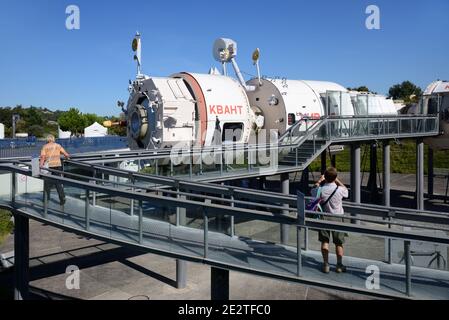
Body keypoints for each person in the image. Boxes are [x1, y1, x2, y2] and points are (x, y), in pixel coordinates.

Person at [311, 167, 349, 273]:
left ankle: (326, 264)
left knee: (324, 241)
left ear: (325, 178)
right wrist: (337, 180)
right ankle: (339, 265)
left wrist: (319, 181)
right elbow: (346, 191)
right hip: (338, 217)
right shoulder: (340, 190)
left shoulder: (320, 190)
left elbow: (312, 190)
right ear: (335, 177)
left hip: (324, 217)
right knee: (339, 243)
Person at [39, 134, 70, 205]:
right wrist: (67, 158)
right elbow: (65, 154)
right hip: (58, 165)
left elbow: (43, 157)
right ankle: (62, 198)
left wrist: (41, 166)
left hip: (49, 166)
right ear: (53, 139)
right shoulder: (58, 145)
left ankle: (46, 199)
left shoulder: (45, 147)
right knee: (58, 182)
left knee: (47, 183)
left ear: (47, 139)